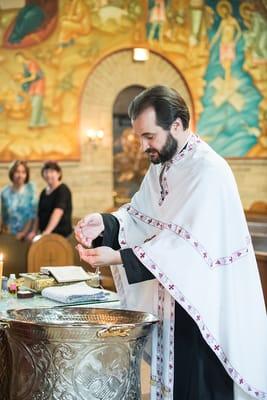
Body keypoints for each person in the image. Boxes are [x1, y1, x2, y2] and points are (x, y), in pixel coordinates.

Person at [75, 85, 267, 400]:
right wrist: (104, 222)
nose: (142, 146)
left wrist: (116, 258)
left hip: (205, 307)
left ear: (176, 125)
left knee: (199, 387)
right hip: (176, 300)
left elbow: (181, 247)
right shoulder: (163, 166)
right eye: (139, 137)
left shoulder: (208, 170)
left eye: (149, 136)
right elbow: (139, 217)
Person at [28, 161, 72, 239]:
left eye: (52, 171)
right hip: (45, 235)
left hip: (60, 236)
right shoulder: (43, 192)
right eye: (46, 172)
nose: (48, 175)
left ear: (59, 173)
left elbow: (58, 212)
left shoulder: (63, 190)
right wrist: (34, 231)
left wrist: (47, 232)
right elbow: (38, 214)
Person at [0, 160, 37, 240]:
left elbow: (33, 214)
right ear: (12, 173)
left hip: (27, 236)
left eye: (23, 172)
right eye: (17, 172)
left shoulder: (31, 189)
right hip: (9, 235)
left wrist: (24, 233)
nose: (20, 175)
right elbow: (2, 215)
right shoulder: (4, 192)